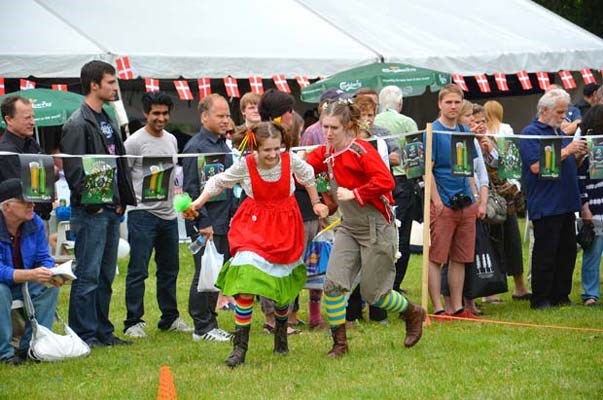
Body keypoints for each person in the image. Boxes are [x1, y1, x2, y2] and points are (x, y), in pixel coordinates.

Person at [184, 122, 329, 367]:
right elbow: (218, 181)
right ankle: (240, 348)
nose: (273, 155)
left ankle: (281, 336)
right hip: (253, 224)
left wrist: (316, 202)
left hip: (285, 225)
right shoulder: (245, 165)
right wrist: (198, 203)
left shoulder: (289, 160)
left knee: (281, 287)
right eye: (267, 150)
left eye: (277, 148)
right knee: (245, 279)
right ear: (255, 149)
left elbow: (307, 175)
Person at [305, 101, 425, 357]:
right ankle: (340, 345)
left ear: (348, 126)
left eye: (333, 127)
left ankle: (413, 313)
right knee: (333, 284)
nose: (327, 132)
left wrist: (355, 193)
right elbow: (305, 169)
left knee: (375, 295)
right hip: (348, 227)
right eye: (324, 126)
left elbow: (386, 181)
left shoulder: (361, 150)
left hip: (376, 227)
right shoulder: (326, 151)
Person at [61, 60, 136, 347]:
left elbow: (117, 164)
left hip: (111, 209)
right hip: (91, 211)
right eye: (110, 82)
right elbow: (75, 172)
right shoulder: (77, 123)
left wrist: (120, 200)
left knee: (105, 275)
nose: (115, 87)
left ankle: (103, 331)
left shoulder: (107, 118)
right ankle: (84, 334)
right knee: (88, 275)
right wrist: (93, 204)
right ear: (94, 85)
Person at [122, 92, 193, 338]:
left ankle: (170, 317)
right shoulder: (133, 142)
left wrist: (181, 205)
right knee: (138, 270)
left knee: (169, 269)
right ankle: (133, 321)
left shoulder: (172, 140)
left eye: (165, 113)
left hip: (168, 215)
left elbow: (173, 178)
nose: (161, 118)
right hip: (141, 214)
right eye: (156, 114)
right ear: (146, 114)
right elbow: (124, 176)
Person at [519, 89, 587, 310]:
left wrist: (578, 155)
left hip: (566, 201)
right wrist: (567, 151)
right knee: (546, 253)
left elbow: (566, 165)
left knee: (566, 251)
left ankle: (561, 294)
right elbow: (536, 167)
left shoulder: (560, 133)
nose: (563, 116)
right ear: (545, 110)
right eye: (559, 112)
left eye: (565, 111)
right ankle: (541, 297)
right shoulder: (531, 133)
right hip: (546, 204)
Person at [182, 93, 234, 342]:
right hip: (206, 221)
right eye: (220, 115)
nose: (226, 120)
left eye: (227, 115)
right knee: (204, 273)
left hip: (224, 219)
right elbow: (192, 189)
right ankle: (201, 326)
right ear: (204, 117)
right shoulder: (196, 147)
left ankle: (210, 322)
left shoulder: (222, 143)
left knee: (215, 273)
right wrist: (202, 222)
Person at [426, 84, 479, 319]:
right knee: (437, 256)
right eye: (448, 102)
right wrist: (436, 201)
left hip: (465, 202)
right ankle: (438, 306)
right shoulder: (433, 132)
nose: (453, 106)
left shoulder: (464, 131)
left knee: (461, 257)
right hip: (442, 202)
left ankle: (457, 306)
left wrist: (475, 197)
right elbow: (428, 170)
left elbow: (469, 170)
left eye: (457, 102)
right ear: (440, 104)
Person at [0, 179, 61, 365]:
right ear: (7, 206)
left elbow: (44, 257)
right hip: (5, 283)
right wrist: (32, 274)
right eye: (25, 202)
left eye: (32, 201)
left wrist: (52, 273)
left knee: (49, 286)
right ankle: (5, 353)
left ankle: (33, 347)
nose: (32, 205)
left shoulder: (34, 221)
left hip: (22, 281)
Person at [483, 100, 531, 300]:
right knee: (511, 241)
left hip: (494, 194)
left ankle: (490, 292)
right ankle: (519, 286)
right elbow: (512, 164)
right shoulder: (507, 130)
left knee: (493, 241)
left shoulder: (488, 133)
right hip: (506, 192)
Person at [374, 86, 419, 292]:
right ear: (400, 104)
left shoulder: (372, 122)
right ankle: (395, 284)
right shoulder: (408, 122)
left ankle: (381, 282)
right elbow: (415, 157)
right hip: (402, 180)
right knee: (402, 234)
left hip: (379, 181)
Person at [0, 96, 54, 220]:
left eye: (33, 117)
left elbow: (51, 173)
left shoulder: (31, 143)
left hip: (39, 218)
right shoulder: (6, 151)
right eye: (27, 118)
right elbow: (22, 191)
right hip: (20, 221)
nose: (32, 122)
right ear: (9, 120)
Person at [576, 104, 603, 306]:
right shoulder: (586, 154)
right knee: (592, 254)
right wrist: (585, 207)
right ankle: (590, 294)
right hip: (594, 210)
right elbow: (580, 181)